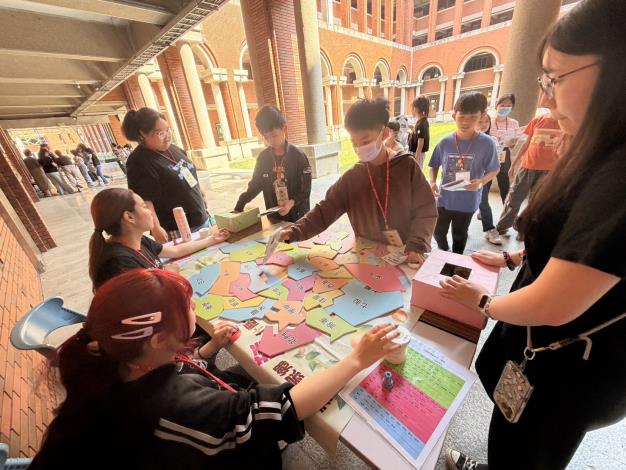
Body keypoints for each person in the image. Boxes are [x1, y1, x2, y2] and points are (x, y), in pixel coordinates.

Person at [442, 1, 626, 468]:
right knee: (512, 438)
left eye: (554, 78)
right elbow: (576, 247)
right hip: (545, 350)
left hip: (567, 367)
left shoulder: (619, 173)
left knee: (530, 449)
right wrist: (511, 259)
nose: (545, 98)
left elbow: (553, 304)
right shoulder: (598, 147)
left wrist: (482, 302)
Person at [30, 268, 400, 468]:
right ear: (158, 340)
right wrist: (357, 359)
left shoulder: (110, 359)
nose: (194, 310)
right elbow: (281, 409)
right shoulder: (173, 406)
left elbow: (180, 372)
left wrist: (208, 348)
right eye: (188, 308)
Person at [280, 98, 437, 266]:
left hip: (406, 255)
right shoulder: (352, 178)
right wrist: (294, 232)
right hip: (366, 257)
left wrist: (417, 245)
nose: (360, 148)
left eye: (366, 141)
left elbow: (426, 210)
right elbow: (325, 210)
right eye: (354, 143)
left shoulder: (406, 166)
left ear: (384, 134)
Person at [88, 187, 230, 290]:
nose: (150, 212)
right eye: (144, 207)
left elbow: (176, 251)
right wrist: (168, 275)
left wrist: (212, 239)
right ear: (129, 217)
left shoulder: (139, 240)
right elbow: (146, 300)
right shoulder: (119, 261)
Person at [124, 108, 211, 243]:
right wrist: (156, 227)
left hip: (200, 218)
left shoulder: (174, 149)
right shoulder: (138, 161)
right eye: (160, 133)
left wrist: (201, 194)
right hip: (176, 228)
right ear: (142, 134)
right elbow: (145, 200)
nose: (167, 135)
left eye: (168, 130)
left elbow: (187, 174)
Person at [429, 92, 500, 254]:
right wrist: (432, 182)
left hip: (467, 201)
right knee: (438, 232)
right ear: (454, 115)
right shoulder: (445, 142)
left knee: (459, 235)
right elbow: (433, 164)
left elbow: (495, 168)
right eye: (462, 117)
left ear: (482, 116)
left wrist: (481, 181)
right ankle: (444, 252)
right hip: (444, 199)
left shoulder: (487, 144)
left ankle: (456, 260)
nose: (466, 122)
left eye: (473, 117)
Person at [493, 113, 564, 241]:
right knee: (514, 198)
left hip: (549, 171)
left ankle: (524, 229)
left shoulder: (566, 123)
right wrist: (514, 164)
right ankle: (502, 227)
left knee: (536, 202)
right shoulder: (538, 120)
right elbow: (526, 144)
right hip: (527, 167)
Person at [234, 106, 312, 222]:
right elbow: (255, 185)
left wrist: (291, 203)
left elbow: (305, 189)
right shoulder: (263, 158)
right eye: (266, 137)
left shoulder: (298, 156)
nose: (270, 141)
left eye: (274, 135)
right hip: (274, 217)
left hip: (298, 216)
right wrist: (239, 206)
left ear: (284, 128)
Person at [475, 114, 503, 245]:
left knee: (484, 203)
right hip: (465, 177)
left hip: (482, 178)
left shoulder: (492, 140)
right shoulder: (466, 139)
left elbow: (496, 161)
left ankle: (489, 229)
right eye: (480, 122)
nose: (483, 124)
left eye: (486, 121)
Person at [490, 94, 520, 204]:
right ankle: (483, 208)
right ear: (496, 105)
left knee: (504, 182)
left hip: (504, 153)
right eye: (502, 105)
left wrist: (513, 142)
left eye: (508, 106)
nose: (505, 108)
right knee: (486, 180)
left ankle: (506, 207)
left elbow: (513, 144)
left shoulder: (514, 123)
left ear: (512, 107)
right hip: (490, 153)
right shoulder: (489, 121)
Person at [408, 96, 430, 169]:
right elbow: (417, 134)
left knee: (416, 170)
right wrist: (412, 129)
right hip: (414, 152)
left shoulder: (422, 124)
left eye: (413, 107)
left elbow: (420, 143)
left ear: (417, 108)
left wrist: (416, 159)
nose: (413, 110)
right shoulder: (420, 122)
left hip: (417, 153)